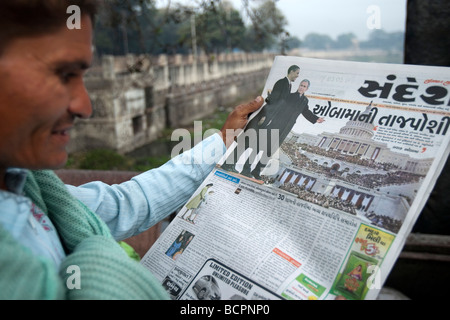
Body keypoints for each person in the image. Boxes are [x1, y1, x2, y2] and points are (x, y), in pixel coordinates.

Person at [0, 0, 263, 300]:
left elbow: (124, 204)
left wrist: (223, 140)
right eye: (62, 74)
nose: (84, 107)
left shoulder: (30, 186)